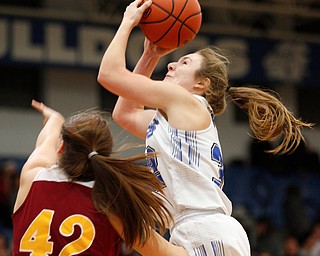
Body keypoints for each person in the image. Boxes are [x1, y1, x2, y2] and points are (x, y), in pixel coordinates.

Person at [97, 0, 312, 254]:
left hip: (205, 227)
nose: (171, 64)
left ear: (201, 84)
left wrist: (128, 22)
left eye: (184, 63)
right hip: (194, 228)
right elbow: (125, 114)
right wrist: (150, 54)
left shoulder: (185, 101)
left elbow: (109, 75)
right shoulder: (176, 116)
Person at [12, 100, 188, 256]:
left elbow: (47, 139)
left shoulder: (33, 176)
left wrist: (55, 120)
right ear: (104, 156)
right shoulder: (112, 203)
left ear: (61, 147)